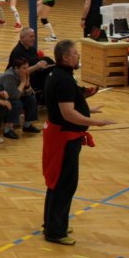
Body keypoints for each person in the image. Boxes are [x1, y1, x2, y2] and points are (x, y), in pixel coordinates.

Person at [43, 40, 115, 245]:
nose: (78, 56)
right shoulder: (63, 80)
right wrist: (95, 122)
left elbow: (65, 105)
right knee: (64, 184)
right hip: (63, 138)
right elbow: (68, 113)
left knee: (57, 182)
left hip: (60, 135)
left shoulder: (58, 74)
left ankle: (53, 223)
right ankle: (55, 232)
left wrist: (87, 109)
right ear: (65, 57)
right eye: (75, 53)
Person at [0, 57, 40, 139]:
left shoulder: (23, 74)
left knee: (31, 99)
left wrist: (27, 82)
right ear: (16, 68)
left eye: (27, 67)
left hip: (12, 96)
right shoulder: (9, 76)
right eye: (24, 68)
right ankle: (8, 130)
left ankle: (27, 125)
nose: (26, 70)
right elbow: (14, 96)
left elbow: (29, 92)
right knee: (17, 103)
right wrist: (23, 82)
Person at [9, 28, 54, 95]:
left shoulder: (32, 48)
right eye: (31, 36)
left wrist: (44, 66)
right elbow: (19, 73)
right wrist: (36, 67)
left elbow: (35, 63)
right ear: (22, 37)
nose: (33, 38)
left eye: (34, 36)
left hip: (33, 75)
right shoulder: (17, 52)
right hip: (22, 80)